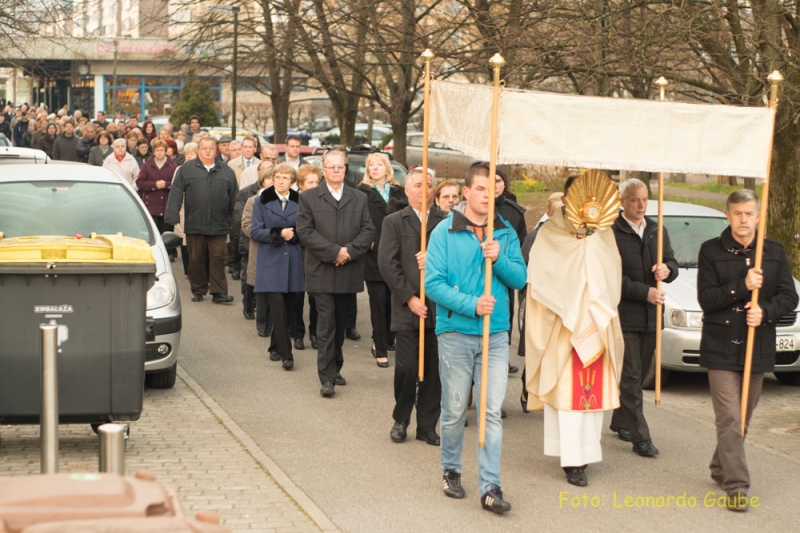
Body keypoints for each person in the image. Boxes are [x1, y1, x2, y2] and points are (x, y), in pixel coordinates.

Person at [425, 164, 527, 514]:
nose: (486, 195)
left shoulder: (505, 231)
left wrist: (498, 260)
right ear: (466, 192)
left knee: (490, 412)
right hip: (455, 332)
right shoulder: (444, 231)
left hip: (495, 335)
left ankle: (490, 486)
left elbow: (520, 278)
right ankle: (451, 470)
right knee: (454, 411)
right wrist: (471, 304)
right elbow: (433, 284)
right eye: (479, 189)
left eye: (491, 188)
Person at [697, 188, 798, 512]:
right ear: (728, 215)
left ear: (758, 216)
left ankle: (720, 466)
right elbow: (707, 299)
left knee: (742, 417)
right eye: (737, 213)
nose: (743, 219)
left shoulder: (773, 252)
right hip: (720, 346)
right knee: (729, 416)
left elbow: (789, 296)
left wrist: (765, 311)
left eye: (749, 213)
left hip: (758, 345)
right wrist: (743, 286)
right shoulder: (710, 250)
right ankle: (737, 485)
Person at [524, 172, 624, 488]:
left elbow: (612, 275)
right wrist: (566, 303)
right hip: (563, 327)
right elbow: (540, 279)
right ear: (566, 198)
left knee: (593, 398)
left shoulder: (603, 234)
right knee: (567, 398)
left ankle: (587, 453)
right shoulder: (550, 233)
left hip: (596, 325)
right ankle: (571, 461)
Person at [608, 178, 679, 457]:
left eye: (645, 199)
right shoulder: (611, 232)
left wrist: (667, 270)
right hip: (625, 315)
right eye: (634, 199)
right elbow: (611, 277)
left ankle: (620, 420)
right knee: (631, 375)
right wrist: (644, 292)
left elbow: (672, 262)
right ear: (622, 202)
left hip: (652, 316)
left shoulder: (656, 229)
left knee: (635, 378)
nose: (641, 205)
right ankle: (641, 438)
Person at [296, 148, 374, 397]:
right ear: (324, 170)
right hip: (321, 271)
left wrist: (348, 252)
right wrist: (334, 252)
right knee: (326, 324)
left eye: (341, 166)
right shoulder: (309, 197)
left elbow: (368, 230)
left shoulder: (358, 197)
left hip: (348, 271)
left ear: (345, 169)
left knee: (340, 325)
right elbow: (305, 231)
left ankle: (336, 367)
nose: (337, 171)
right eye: (332, 167)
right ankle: (326, 377)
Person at [379, 167, 446, 446]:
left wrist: (434, 260)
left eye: (428, 185)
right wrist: (409, 297)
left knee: (434, 370)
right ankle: (401, 418)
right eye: (417, 185)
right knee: (407, 368)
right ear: (406, 190)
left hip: (439, 307)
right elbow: (387, 263)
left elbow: (456, 260)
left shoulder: (446, 221)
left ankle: (427, 425)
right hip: (407, 307)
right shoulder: (395, 221)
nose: (423, 190)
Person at [165, 137, 239, 304]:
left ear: (216, 151)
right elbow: (176, 192)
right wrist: (172, 216)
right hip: (195, 222)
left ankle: (219, 292)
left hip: (219, 223)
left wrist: (234, 221)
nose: (207, 151)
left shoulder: (226, 171)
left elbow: (234, 197)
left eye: (210, 148)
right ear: (198, 150)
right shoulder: (186, 169)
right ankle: (198, 290)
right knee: (196, 258)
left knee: (218, 258)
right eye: (204, 148)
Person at [251, 164, 304, 370]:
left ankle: (274, 346)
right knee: (277, 306)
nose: (280, 181)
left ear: (292, 182)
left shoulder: (301, 201)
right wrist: (279, 233)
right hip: (270, 261)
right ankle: (286, 354)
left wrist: (294, 235)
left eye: (285, 178)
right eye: (277, 177)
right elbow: (255, 231)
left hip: (293, 260)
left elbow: (306, 229)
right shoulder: (261, 201)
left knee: (289, 307)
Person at [358, 153, 406, 368]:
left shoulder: (399, 192)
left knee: (392, 300)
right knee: (378, 301)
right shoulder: (362, 192)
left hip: (397, 253)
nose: (375, 168)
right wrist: (366, 241)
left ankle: (387, 337)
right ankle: (380, 347)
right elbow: (358, 220)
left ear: (387, 168)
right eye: (371, 165)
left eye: (379, 164)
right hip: (374, 252)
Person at [241, 166, 275, 336]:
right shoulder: (253, 201)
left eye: (276, 178)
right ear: (262, 181)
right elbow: (246, 224)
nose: (273, 182)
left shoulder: (289, 201)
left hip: (281, 251)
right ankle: (263, 324)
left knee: (278, 289)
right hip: (260, 248)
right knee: (262, 290)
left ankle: (278, 322)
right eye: (269, 178)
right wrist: (268, 235)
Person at [297, 164, 321, 349]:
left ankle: (315, 332)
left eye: (316, 182)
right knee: (297, 297)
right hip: (297, 254)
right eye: (310, 182)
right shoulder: (294, 201)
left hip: (315, 254)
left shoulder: (322, 201)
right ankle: (297, 333)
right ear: (300, 184)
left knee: (315, 297)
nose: (314, 186)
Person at [136, 139, 177, 233]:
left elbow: (177, 184)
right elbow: (140, 183)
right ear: (153, 152)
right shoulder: (147, 165)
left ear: (165, 151)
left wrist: (166, 185)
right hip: (151, 206)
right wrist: (154, 185)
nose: (159, 152)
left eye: (161, 150)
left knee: (166, 235)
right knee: (153, 233)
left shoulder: (173, 165)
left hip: (167, 207)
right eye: (157, 150)